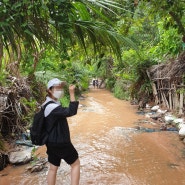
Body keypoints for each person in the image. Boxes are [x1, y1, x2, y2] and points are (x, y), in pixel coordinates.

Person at [43, 78, 80, 185]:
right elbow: (71, 111)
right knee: (75, 164)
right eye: (57, 87)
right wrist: (72, 93)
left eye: (61, 87)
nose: (60, 90)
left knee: (53, 168)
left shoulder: (47, 104)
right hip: (60, 142)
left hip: (51, 142)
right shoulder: (52, 107)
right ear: (50, 90)